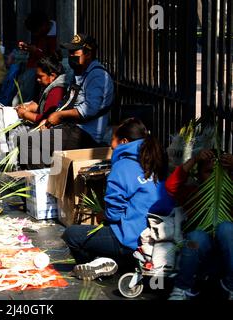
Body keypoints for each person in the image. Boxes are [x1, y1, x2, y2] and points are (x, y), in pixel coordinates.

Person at [62, 118, 175, 281]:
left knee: (71, 234)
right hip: (157, 234)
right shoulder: (155, 161)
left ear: (124, 141)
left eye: (112, 141)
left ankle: (104, 262)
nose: (111, 146)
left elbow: (114, 213)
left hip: (130, 238)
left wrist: (104, 216)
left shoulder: (123, 165)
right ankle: (115, 261)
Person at [16, 34, 114, 170]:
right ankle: (48, 179)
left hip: (85, 134)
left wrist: (60, 116)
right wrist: (50, 119)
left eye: (75, 52)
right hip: (71, 128)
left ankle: (42, 185)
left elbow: (90, 109)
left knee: (29, 142)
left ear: (88, 54)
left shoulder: (98, 76)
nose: (71, 55)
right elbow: (67, 102)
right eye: (70, 52)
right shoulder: (79, 73)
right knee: (28, 138)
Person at [166, 150, 233, 300]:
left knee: (227, 228)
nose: (216, 177)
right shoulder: (192, 192)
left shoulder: (230, 193)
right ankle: (181, 288)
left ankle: (231, 286)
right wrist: (194, 159)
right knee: (196, 236)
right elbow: (171, 186)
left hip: (226, 258)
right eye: (209, 172)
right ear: (198, 175)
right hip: (197, 256)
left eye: (223, 172)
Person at [16, 11, 57, 104]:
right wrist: (28, 47)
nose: (35, 34)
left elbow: (52, 58)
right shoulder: (41, 34)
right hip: (33, 67)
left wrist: (35, 50)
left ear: (44, 25)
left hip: (44, 69)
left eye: (36, 31)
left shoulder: (56, 35)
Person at [15, 54, 67, 125]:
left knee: (19, 136)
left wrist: (25, 114)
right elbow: (38, 104)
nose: (38, 79)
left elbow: (45, 119)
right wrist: (27, 107)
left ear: (52, 76)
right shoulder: (47, 86)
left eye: (40, 76)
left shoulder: (57, 91)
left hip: (56, 132)